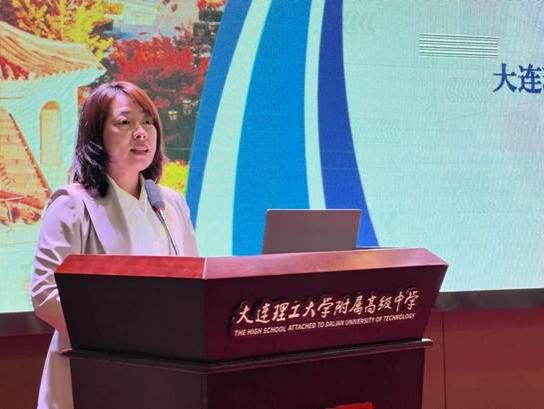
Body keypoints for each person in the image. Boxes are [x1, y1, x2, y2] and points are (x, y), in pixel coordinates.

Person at [31, 81, 198, 409]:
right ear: (96, 135)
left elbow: (194, 284)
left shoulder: (171, 204)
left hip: (167, 370)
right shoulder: (73, 204)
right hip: (93, 369)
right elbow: (45, 294)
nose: (141, 132)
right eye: (125, 122)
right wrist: (122, 337)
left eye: (148, 121)